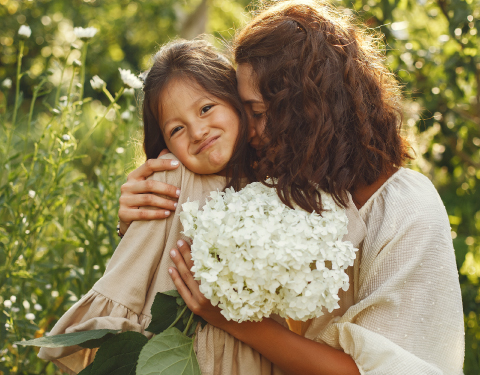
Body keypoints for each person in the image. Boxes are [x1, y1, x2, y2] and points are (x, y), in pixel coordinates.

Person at [119, 1, 465, 374]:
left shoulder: (406, 209)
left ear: (310, 110)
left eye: (260, 113)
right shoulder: (285, 186)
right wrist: (139, 219)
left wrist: (232, 317)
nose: (248, 132)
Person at [37, 38, 285, 375]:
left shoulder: (277, 182)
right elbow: (128, 282)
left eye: (206, 108)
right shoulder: (172, 179)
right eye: (177, 128)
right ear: (164, 143)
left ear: (236, 101)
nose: (197, 131)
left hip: (256, 356)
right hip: (183, 352)